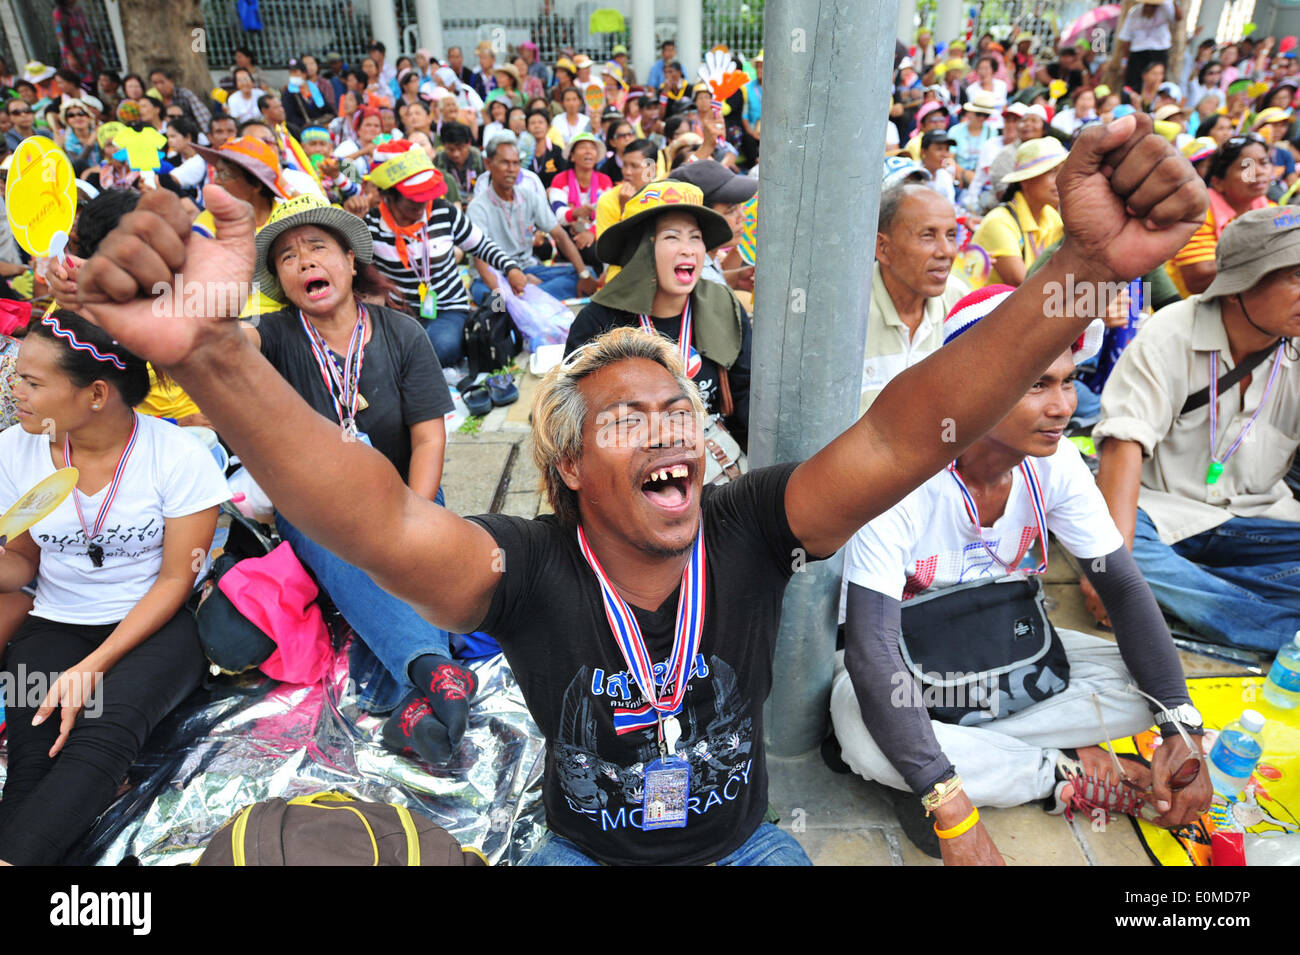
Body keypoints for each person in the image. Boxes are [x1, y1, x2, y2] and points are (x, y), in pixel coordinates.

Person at [69, 111, 1208, 867]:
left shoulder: (753, 528)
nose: (668, 427)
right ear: (568, 468)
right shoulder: (522, 568)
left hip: (746, 849)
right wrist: (212, 360)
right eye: (626, 417)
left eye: (680, 414)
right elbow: (370, 515)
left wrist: (1074, 276)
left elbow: (915, 430)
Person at [831, 285, 1209, 865]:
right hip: (902, 664)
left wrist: (1179, 730)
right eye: (1037, 384)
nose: (1063, 406)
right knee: (860, 729)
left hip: (1007, 654)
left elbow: (1124, 590)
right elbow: (871, 651)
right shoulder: (902, 470)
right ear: (970, 383)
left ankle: (945, 762)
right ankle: (1053, 774)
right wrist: (952, 812)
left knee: (1149, 687)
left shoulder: (1053, 463)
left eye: (1068, 379)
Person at [232, 195, 479, 765]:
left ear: (347, 260)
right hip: (315, 502)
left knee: (414, 553)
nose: (303, 261)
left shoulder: (400, 333)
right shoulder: (271, 337)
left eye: (317, 247)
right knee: (348, 547)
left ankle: (411, 698)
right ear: (281, 282)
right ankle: (431, 667)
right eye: (287, 258)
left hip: (401, 491)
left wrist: (416, 516)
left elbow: (427, 437)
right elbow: (225, 347)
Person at [0, 310, 228, 865]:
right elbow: (23, 564)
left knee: (101, 740)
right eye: (15, 374)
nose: (14, 389)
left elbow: (177, 578)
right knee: (34, 752)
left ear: (96, 393)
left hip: (155, 626)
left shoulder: (178, 458)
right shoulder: (15, 451)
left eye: (32, 382)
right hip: (55, 622)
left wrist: (94, 666)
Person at [1091, 207, 1300, 652]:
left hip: (1256, 523)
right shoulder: (1172, 333)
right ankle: (1276, 629)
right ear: (1240, 285)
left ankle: (1205, 599)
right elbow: (1123, 445)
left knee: (1153, 576)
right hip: (1160, 516)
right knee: (1118, 553)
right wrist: (1113, 571)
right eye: (1296, 276)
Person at [566, 180, 755, 451]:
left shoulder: (724, 305)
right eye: (672, 237)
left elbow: (745, 392)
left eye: (695, 237)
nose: (688, 249)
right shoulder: (597, 322)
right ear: (641, 252)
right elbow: (577, 422)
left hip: (715, 457)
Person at [364, 141, 526, 365]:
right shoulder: (370, 225)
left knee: (439, 347)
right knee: (385, 356)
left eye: (426, 197)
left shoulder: (442, 211)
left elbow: (482, 246)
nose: (422, 206)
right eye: (414, 200)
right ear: (389, 196)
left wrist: (511, 268)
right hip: (399, 315)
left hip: (449, 309)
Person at [861, 180, 968, 412]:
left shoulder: (961, 304)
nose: (946, 251)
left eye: (951, 235)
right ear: (883, 248)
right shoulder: (847, 311)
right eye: (928, 236)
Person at [467, 133, 597, 305]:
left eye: (515, 163)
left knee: (588, 273)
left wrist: (584, 275)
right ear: (488, 164)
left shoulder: (529, 196)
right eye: (505, 162)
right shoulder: (478, 207)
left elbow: (559, 235)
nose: (511, 169)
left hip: (527, 270)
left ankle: (526, 296)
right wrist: (503, 289)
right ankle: (527, 297)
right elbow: (481, 262)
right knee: (496, 302)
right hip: (494, 276)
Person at [1167, 134, 1275, 297]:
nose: (1258, 172)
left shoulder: (1270, 208)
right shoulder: (1197, 212)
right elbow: (1199, 277)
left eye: (1264, 162)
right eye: (1245, 166)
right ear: (1218, 182)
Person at [968, 137, 1066, 287]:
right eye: (1052, 172)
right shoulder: (999, 223)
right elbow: (1024, 286)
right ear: (1026, 180)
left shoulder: (1051, 216)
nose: (1060, 180)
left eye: (1062, 171)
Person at [549, 132, 612, 272]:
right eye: (583, 147)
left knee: (596, 250)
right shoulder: (560, 180)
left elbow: (607, 214)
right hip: (568, 233)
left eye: (592, 148)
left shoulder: (605, 181)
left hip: (596, 233)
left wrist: (591, 233)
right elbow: (559, 214)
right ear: (572, 156)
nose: (589, 151)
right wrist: (577, 212)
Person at [1117, 0, 1184, 93]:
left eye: (1153, 6)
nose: (1150, 9)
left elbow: (1179, 18)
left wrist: (1174, 3)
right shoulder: (1134, 12)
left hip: (1159, 52)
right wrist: (1124, 61)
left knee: (1157, 84)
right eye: (1148, 6)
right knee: (1133, 84)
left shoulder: (1166, 7)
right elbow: (1126, 38)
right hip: (1137, 53)